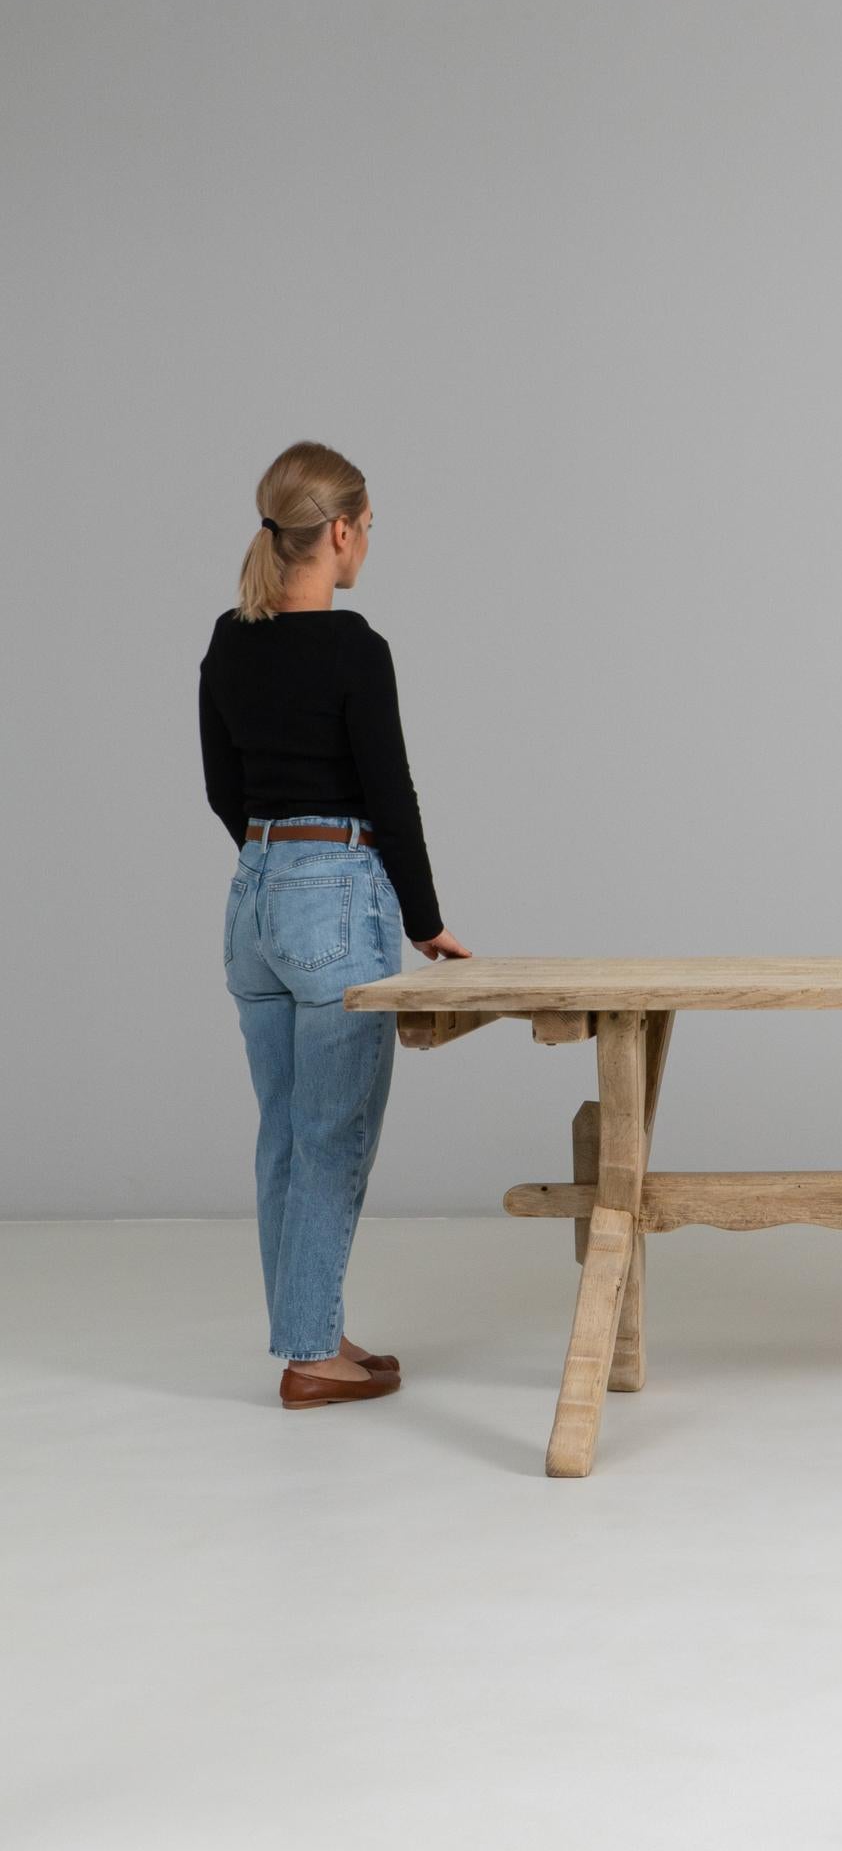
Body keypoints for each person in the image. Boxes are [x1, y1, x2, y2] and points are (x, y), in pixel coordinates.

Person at [199, 440, 470, 1410]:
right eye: (368, 529)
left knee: (284, 1132)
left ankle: (314, 1326)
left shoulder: (230, 640)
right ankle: (311, 1360)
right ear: (343, 531)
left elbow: (222, 788)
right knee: (331, 1135)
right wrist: (426, 920)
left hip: (254, 900)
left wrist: (277, 859)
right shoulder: (356, 648)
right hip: (332, 892)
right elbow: (387, 791)